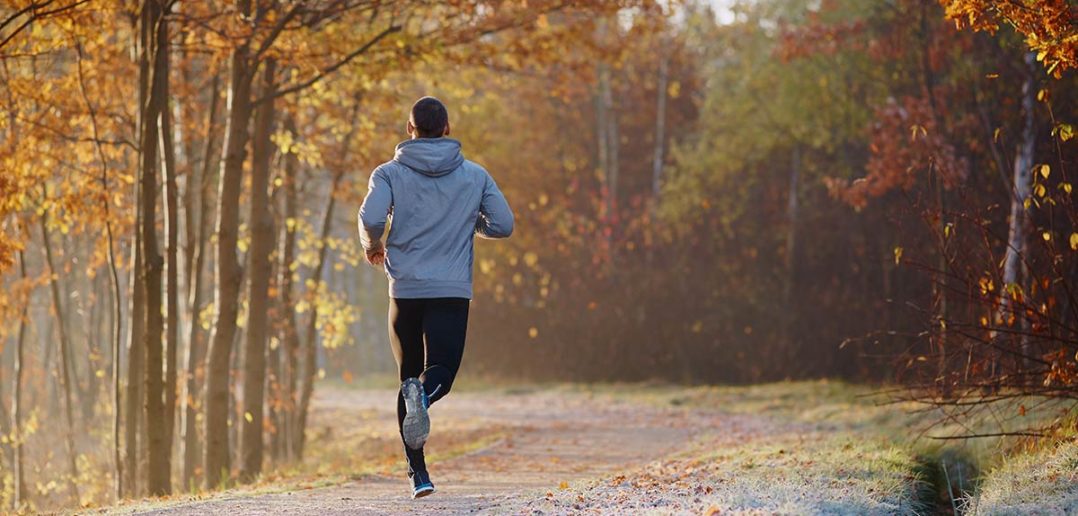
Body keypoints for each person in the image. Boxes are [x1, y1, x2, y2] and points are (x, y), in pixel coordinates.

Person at [358, 96, 514, 499]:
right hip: (450, 289)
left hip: (405, 289)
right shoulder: (475, 175)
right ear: (447, 128)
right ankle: (424, 397)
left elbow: (371, 217)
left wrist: (373, 245)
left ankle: (419, 474)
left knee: (408, 376)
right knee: (440, 369)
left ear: (410, 130)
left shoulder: (388, 173)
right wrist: (470, 222)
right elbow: (503, 224)